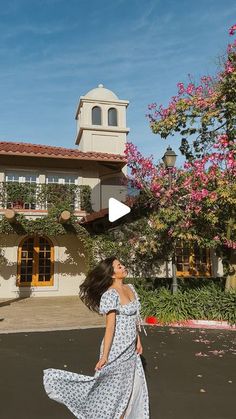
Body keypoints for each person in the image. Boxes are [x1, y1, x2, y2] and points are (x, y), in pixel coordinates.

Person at [43, 256, 150, 418]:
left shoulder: (130, 288)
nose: (123, 267)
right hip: (115, 348)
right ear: (112, 274)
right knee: (112, 390)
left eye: (121, 265)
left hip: (130, 348)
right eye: (119, 266)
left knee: (128, 388)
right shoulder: (110, 294)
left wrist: (138, 340)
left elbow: (134, 317)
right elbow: (110, 327)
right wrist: (105, 356)